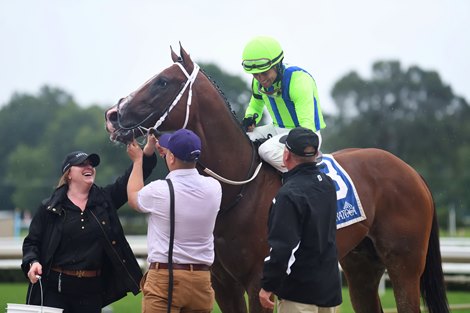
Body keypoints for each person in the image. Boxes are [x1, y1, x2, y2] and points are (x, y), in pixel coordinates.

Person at [21, 139, 157, 313]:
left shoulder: (105, 200)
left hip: (91, 291)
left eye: (91, 164)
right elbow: (32, 242)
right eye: (82, 164)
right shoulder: (49, 207)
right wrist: (32, 262)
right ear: (68, 174)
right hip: (55, 290)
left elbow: (132, 177)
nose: (89, 167)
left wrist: (146, 153)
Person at [126, 129, 222, 313]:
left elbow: (133, 197)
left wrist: (138, 160)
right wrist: (170, 154)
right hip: (202, 280)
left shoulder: (159, 191)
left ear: (171, 158)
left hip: (166, 278)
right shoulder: (214, 187)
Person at [259, 127, 342, 313]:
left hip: (300, 293)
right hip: (330, 290)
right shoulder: (328, 184)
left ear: (286, 156)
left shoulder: (288, 194)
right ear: (316, 154)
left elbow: (283, 247)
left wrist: (268, 285)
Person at [241, 35, 326, 172]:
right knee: (242, 139)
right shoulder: (258, 82)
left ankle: (303, 174)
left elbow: (307, 126)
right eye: (255, 74)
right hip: (277, 129)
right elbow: (256, 104)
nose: (260, 79)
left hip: (307, 135)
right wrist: (251, 117)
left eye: (264, 73)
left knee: (265, 150)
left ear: (277, 65)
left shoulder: (299, 81)